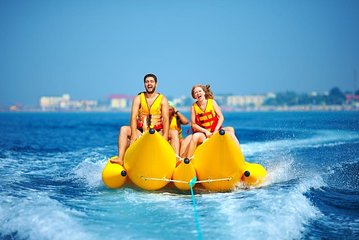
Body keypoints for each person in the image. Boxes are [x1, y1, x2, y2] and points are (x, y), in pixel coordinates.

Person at [110, 73, 169, 165]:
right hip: (141, 131)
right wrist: (133, 134)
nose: (149, 84)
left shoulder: (163, 99)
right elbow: (133, 117)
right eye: (147, 82)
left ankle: (174, 161)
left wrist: (165, 135)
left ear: (156, 84)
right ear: (144, 84)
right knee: (124, 129)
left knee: (173, 133)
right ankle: (120, 158)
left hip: (157, 132)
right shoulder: (138, 98)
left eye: (151, 82)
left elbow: (165, 118)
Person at [181, 84, 240, 159]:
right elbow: (193, 124)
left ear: (204, 93)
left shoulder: (212, 102)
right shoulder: (193, 107)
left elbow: (221, 117)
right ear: (194, 96)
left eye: (200, 91)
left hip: (215, 131)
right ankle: (188, 160)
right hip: (204, 133)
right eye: (195, 92)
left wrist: (215, 130)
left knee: (231, 130)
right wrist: (206, 131)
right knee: (195, 136)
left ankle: (238, 156)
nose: (198, 93)